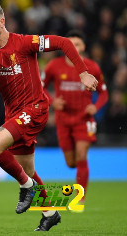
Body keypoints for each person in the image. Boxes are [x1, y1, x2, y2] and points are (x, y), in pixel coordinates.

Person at [0, 5, 97, 231]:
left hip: (35, 108)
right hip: (14, 115)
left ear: (2, 22)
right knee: (27, 171)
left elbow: (64, 43)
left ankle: (27, 187)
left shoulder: (24, 42)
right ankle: (50, 213)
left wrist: (82, 72)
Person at [42, 30, 108, 202]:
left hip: (83, 119)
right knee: (71, 163)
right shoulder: (54, 66)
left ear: (83, 46)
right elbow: (40, 88)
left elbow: (104, 93)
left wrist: (95, 106)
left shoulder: (92, 67)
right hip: (63, 119)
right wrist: (52, 101)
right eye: (71, 45)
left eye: (77, 44)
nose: (74, 48)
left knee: (81, 155)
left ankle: (81, 198)